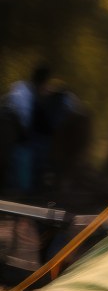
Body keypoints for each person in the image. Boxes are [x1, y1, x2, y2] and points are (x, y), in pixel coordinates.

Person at [3, 65, 51, 194]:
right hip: (17, 138)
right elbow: (23, 121)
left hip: (13, 135)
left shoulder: (20, 87)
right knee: (25, 161)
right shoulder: (27, 94)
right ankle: (21, 193)